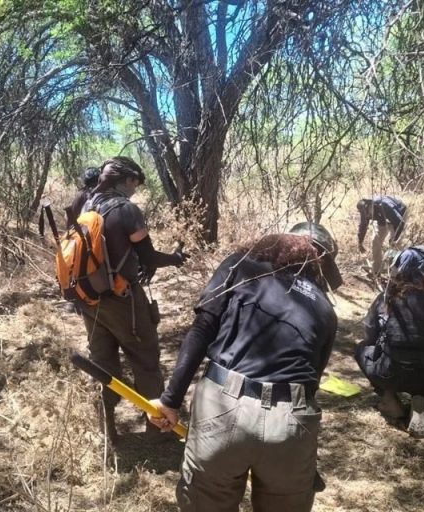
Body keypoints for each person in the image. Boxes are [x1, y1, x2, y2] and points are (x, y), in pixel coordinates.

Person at [148, 224, 342, 512]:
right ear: (323, 266)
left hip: (223, 407)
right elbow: (310, 384)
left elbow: (202, 329)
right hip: (291, 421)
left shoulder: (241, 266)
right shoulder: (326, 309)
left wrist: (170, 401)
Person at [80, 156, 187, 442]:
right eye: (135, 183)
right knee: (145, 359)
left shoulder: (87, 205)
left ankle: (107, 429)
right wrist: (175, 258)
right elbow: (148, 256)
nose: (135, 189)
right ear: (127, 180)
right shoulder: (126, 209)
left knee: (101, 362)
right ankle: (158, 431)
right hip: (123, 299)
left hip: (90, 300)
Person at [354, 268, 424, 438]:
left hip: (391, 372)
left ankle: (389, 398)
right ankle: (421, 399)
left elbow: (370, 336)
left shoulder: (385, 299)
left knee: (360, 349)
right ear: (423, 283)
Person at [357, 196, 408, 277]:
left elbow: (400, 223)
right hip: (382, 219)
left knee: (395, 246)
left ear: (370, 206)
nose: (367, 216)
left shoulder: (384, 206)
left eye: (368, 214)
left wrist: (395, 239)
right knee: (375, 241)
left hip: (399, 216)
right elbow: (363, 225)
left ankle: (395, 273)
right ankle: (376, 270)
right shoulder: (365, 211)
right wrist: (360, 242)